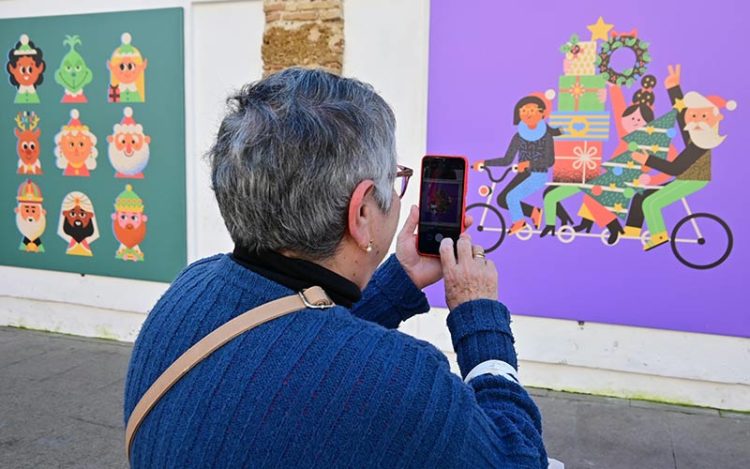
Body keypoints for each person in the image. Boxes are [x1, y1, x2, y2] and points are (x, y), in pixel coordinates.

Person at [124, 68, 548, 467]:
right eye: (395, 178)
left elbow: (287, 347)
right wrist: (478, 314)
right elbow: (516, 457)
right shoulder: (402, 384)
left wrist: (400, 280)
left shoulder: (193, 285)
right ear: (362, 210)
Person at [632, 64, 734, 250]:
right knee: (644, 192)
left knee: (651, 203)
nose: (695, 120)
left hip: (692, 180)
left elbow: (675, 168)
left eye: (703, 116)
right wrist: (673, 88)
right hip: (685, 179)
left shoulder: (702, 143)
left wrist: (647, 160)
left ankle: (659, 235)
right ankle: (631, 230)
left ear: (715, 119)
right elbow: (682, 115)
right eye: (693, 116)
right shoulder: (696, 135)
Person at [474, 91, 571, 236]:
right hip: (523, 174)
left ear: (542, 113)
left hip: (537, 174)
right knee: (501, 200)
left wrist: (528, 164)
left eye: (532, 110)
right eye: (524, 111)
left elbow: (549, 161)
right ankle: (533, 212)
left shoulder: (547, 136)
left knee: (512, 197)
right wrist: (485, 163)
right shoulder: (519, 136)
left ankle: (519, 222)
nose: (527, 114)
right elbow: (507, 160)